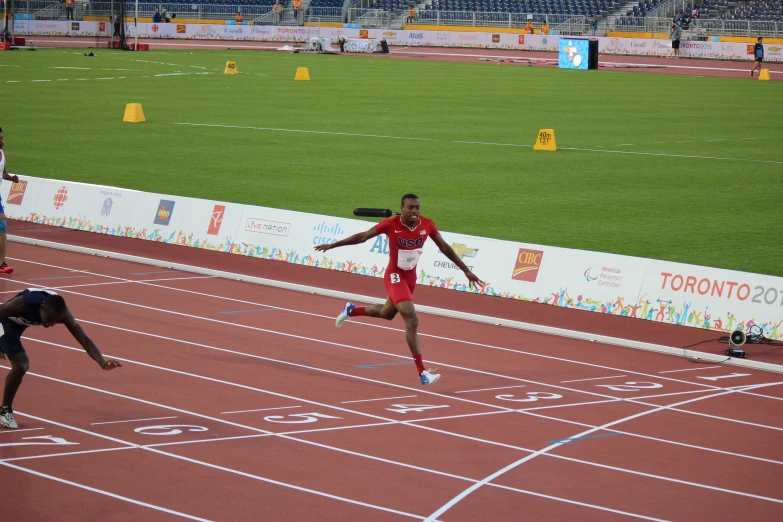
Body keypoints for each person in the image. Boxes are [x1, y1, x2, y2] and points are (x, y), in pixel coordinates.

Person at [314, 194, 484, 386]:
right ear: (401, 208)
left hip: (410, 277)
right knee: (411, 319)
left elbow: (445, 248)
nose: (415, 211)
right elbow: (362, 237)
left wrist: (466, 270)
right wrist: (333, 245)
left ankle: (351, 310)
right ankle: (423, 373)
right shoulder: (390, 224)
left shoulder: (427, 225)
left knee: (387, 313)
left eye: (417, 208)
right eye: (410, 207)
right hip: (395, 276)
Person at [0, 289, 122, 429]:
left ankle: (4, 409)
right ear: (42, 308)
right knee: (21, 364)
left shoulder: (63, 314)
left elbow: (83, 338)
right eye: (48, 319)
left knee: (21, 364)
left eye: (54, 322)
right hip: (5, 320)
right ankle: (6, 410)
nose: (50, 324)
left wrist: (102, 362)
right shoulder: (23, 303)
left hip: (21, 324)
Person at [0, 127, 18, 275]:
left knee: (2, 227)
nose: (2, 141)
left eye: (2, 138)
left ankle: (1, 263)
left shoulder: (3, 155)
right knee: (1, 224)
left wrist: (11, 178)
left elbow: (3, 172)